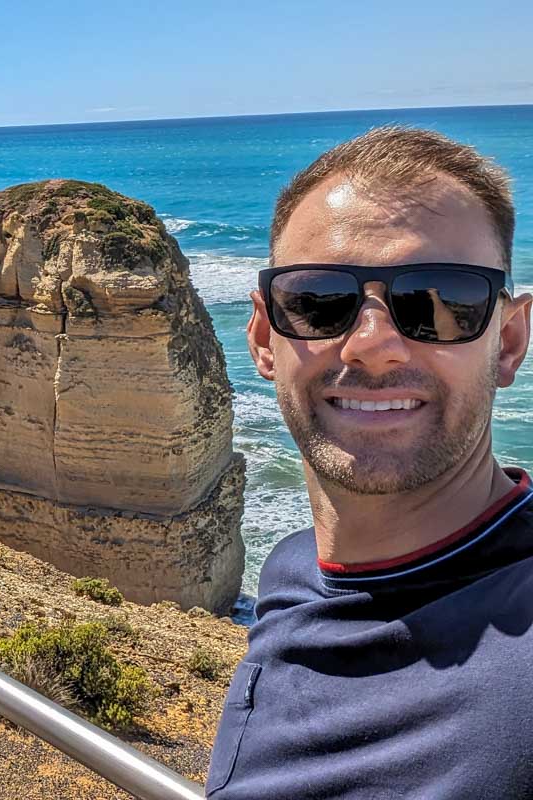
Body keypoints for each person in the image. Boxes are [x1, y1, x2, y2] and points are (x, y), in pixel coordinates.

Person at [208, 128, 533, 798]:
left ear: (507, 342)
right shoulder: (293, 571)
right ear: (266, 340)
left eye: (439, 301)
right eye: (319, 301)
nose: (372, 345)